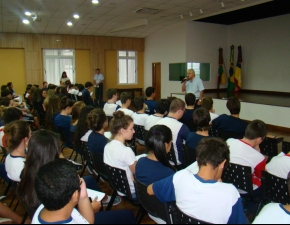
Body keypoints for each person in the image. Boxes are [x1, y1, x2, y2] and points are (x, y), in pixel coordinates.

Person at [147, 138, 247, 224]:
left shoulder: (181, 177)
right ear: (222, 163)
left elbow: (149, 190)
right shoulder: (230, 193)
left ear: (197, 159)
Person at [32, 159, 135, 224]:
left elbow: (87, 221)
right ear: (74, 195)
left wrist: (83, 195)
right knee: (128, 215)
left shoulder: (48, 205)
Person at [135, 125, 175, 224]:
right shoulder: (169, 173)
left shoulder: (140, 161)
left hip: (149, 207)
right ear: (166, 145)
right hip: (165, 215)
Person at [227, 120, 267, 194]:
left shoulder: (229, 141)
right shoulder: (259, 158)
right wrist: (258, 152)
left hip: (228, 184)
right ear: (258, 139)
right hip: (247, 191)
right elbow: (261, 176)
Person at [104, 111, 137, 198]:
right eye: (131, 129)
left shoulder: (107, 146)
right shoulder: (126, 151)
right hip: (132, 191)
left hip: (119, 188)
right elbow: (138, 173)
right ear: (122, 131)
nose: (133, 131)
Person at [156, 99, 190, 166]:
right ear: (180, 111)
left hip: (161, 159)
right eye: (184, 111)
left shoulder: (157, 123)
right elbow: (189, 143)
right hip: (177, 163)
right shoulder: (182, 127)